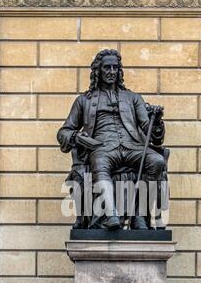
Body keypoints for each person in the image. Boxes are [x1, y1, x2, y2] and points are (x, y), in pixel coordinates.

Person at [57, 49, 165, 230]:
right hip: (102, 147)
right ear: (98, 71)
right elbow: (64, 131)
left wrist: (157, 122)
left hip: (132, 146)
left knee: (157, 160)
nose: (112, 71)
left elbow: (148, 130)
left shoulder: (133, 98)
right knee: (99, 163)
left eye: (115, 68)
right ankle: (111, 214)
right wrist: (77, 137)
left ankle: (139, 216)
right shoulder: (84, 100)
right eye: (107, 67)